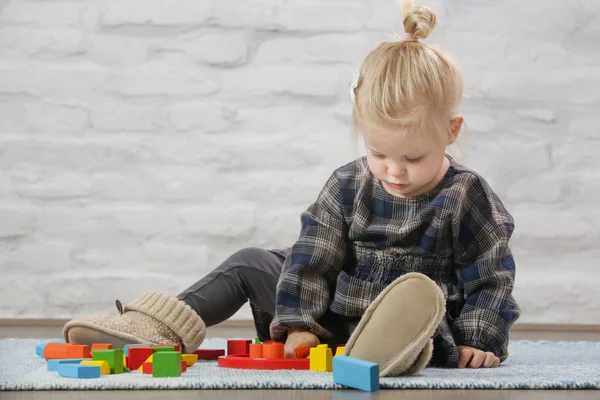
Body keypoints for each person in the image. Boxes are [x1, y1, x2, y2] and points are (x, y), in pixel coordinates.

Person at [63, 0, 520, 375]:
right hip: (333, 306)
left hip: (405, 316)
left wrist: (478, 341)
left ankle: (393, 351)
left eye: (413, 158)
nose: (394, 171)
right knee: (250, 263)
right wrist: (300, 323)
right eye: (379, 153)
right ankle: (158, 328)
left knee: (410, 301)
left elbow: (490, 277)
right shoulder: (348, 182)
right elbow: (312, 255)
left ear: (451, 131)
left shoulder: (466, 196)